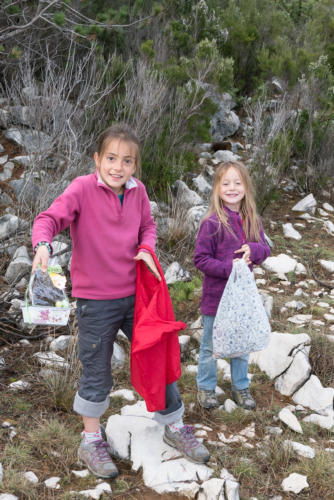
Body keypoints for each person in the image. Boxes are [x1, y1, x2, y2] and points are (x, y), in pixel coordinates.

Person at [31, 124, 210, 479]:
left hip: (137, 297)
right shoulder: (82, 189)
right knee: (96, 369)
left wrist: (146, 249)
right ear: (97, 159)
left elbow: (148, 226)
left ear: (134, 165)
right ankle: (91, 440)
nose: (118, 166)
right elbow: (49, 219)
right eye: (111, 158)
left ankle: (174, 426)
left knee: (157, 357)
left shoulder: (138, 191)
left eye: (127, 161)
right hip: (95, 301)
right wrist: (43, 245)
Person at [194, 161, 271, 410]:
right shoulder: (212, 223)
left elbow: (265, 249)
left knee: (241, 343)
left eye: (238, 183)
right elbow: (201, 259)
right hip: (215, 298)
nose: (232, 188)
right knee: (209, 346)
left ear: (246, 187)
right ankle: (206, 388)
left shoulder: (251, 220)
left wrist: (253, 249)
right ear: (217, 188)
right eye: (226, 183)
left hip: (242, 299)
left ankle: (240, 386)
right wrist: (230, 269)